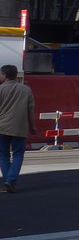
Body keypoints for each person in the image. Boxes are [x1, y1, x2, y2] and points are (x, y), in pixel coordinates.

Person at [0, 63, 37, 193]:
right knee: (18, 154)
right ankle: (11, 181)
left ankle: (7, 181)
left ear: (4, 75)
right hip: (19, 128)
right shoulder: (26, 90)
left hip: (2, 128)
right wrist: (32, 126)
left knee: (3, 155)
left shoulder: (1, 89)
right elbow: (30, 110)